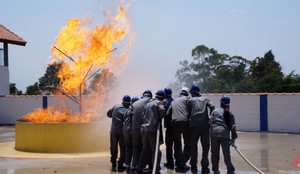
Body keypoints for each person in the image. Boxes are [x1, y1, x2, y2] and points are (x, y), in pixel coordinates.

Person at [136, 89, 166, 174]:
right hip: (152, 130)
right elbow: (162, 112)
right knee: (156, 151)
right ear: (162, 97)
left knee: (145, 150)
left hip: (144, 129)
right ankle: (155, 169)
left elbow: (143, 116)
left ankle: (139, 169)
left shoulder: (148, 104)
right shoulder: (158, 103)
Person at [187, 85, 215, 174]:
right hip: (204, 126)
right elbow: (213, 106)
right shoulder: (205, 99)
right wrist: (210, 117)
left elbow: (188, 111)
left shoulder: (190, 101)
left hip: (194, 126)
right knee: (205, 147)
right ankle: (204, 167)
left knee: (193, 147)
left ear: (192, 93)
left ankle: (194, 167)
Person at [210, 96, 237, 174]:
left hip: (214, 134)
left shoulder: (214, 111)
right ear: (228, 104)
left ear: (221, 103)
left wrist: (210, 135)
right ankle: (230, 170)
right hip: (224, 134)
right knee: (226, 153)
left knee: (214, 153)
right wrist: (233, 139)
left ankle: (215, 170)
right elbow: (233, 127)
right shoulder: (230, 113)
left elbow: (210, 122)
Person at [167, 87, 190, 172]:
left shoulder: (174, 101)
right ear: (187, 93)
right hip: (184, 122)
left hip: (174, 123)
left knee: (177, 143)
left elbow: (168, 113)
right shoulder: (188, 99)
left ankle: (178, 161)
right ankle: (182, 163)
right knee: (188, 143)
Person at [107, 95, 131, 171]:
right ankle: (120, 164)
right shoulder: (128, 109)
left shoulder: (115, 106)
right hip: (122, 132)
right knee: (123, 147)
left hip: (113, 131)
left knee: (113, 147)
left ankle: (113, 162)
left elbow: (108, 114)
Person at [131, 90, 153, 171]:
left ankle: (135, 165)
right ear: (150, 96)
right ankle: (150, 165)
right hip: (143, 128)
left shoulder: (135, 103)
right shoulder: (150, 101)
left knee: (136, 147)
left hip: (134, 129)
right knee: (147, 147)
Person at [123, 96, 139, 172]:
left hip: (125, 131)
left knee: (128, 148)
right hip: (132, 130)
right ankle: (134, 165)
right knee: (135, 147)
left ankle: (127, 164)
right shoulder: (135, 110)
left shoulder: (126, 110)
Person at [162, 87, 175, 169]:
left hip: (169, 127)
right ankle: (178, 161)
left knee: (169, 145)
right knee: (177, 144)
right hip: (175, 125)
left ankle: (170, 162)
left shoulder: (165, 102)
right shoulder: (174, 101)